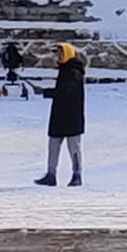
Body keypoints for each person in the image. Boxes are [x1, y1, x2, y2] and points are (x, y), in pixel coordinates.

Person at [35, 42, 85, 186]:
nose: (59, 56)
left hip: (72, 115)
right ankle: (51, 174)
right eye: (58, 53)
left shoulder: (73, 72)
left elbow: (67, 92)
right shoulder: (65, 70)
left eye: (61, 53)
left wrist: (47, 92)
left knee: (73, 147)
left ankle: (77, 175)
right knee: (53, 144)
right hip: (60, 114)